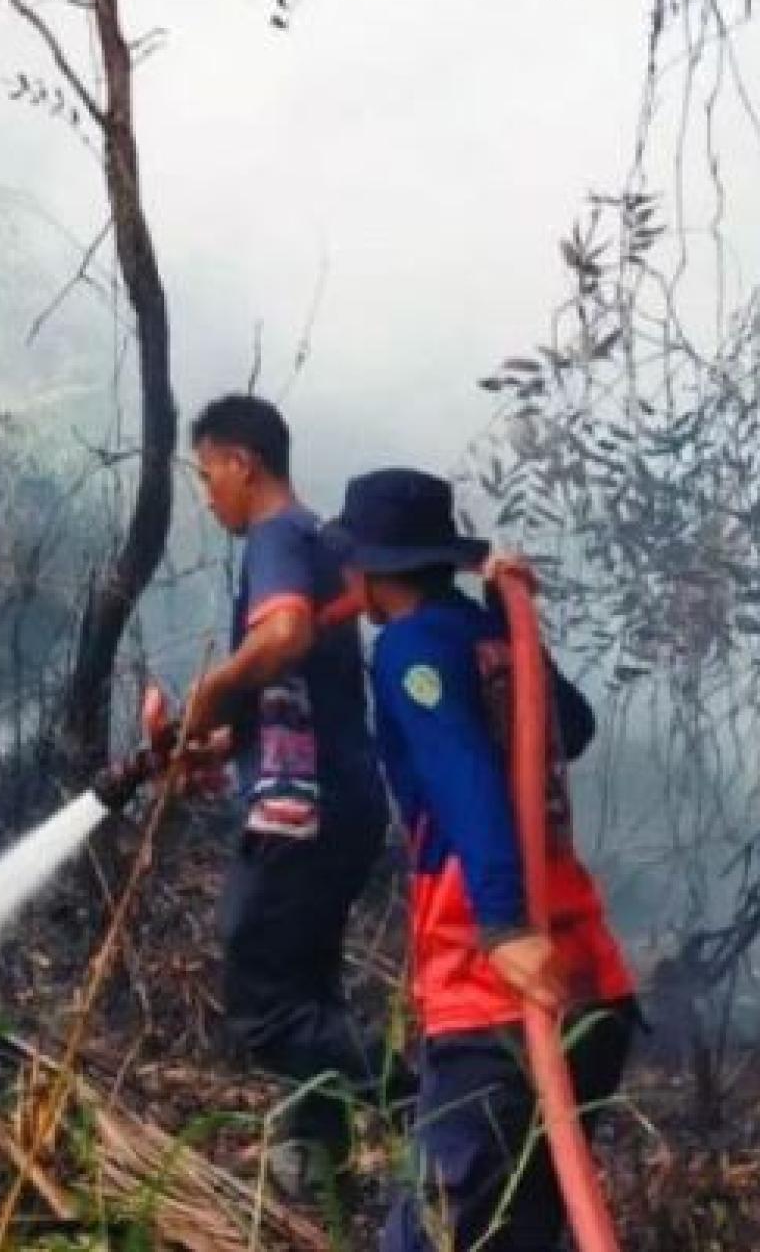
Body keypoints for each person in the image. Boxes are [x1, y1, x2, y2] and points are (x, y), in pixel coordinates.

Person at [327, 467, 638, 1252]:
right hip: (589, 982)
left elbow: (464, 774)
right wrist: (512, 614)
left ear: (373, 567)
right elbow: (573, 724)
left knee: (430, 1235)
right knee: (519, 1231)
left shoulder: (410, 648)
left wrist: (502, 924)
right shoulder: (484, 634)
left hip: (496, 989)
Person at [181, 393, 393, 1200]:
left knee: (263, 1009)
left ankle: (444, 1099)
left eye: (208, 475)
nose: (208, 496)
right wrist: (221, 734)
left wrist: (214, 687)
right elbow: (309, 681)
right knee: (308, 988)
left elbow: (286, 637)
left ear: (244, 462)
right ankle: (317, 1156)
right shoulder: (326, 541)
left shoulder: (276, 535)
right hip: (346, 802)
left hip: (299, 811)